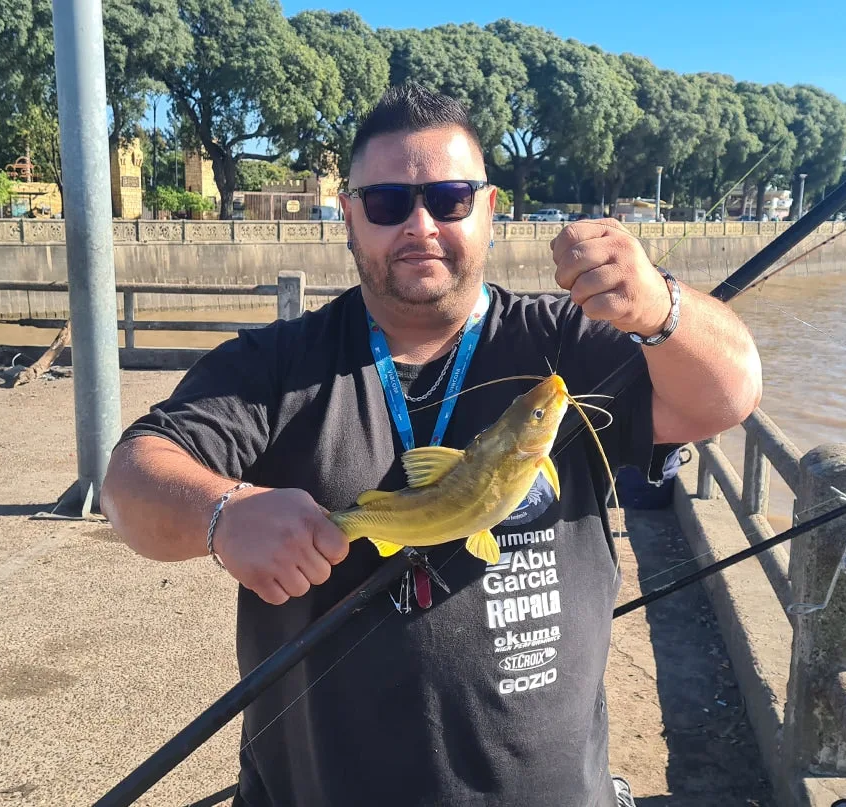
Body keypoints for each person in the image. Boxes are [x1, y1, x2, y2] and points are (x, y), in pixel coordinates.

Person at [99, 83, 763, 807]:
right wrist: (222, 514)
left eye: (448, 198)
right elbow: (131, 481)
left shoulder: (565, 340)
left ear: (487, 208)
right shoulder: (275, 365)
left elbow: (727, 394)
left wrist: (661, 306)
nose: (419, 224)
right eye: (386, 203)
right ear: (349, 216)